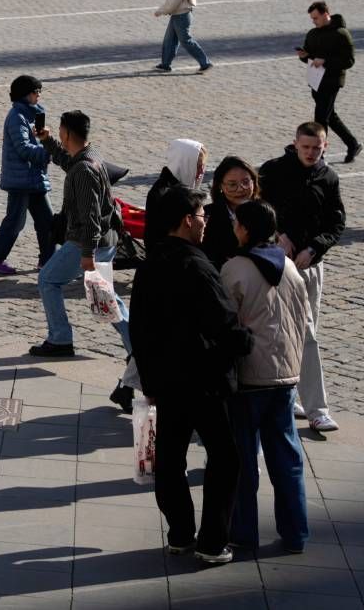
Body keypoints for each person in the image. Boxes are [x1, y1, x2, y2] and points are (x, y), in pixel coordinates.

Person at [130, 184, 252, 565]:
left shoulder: (149, 265)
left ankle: (181, 533)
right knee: (225, 457)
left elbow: (139, 331)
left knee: (170, 459)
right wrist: (245, 342)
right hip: (205, 380)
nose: (205, 222)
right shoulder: (197, 266)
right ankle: (212, 541)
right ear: (186, 220)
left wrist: (149, 381)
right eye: (201, 216)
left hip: (167, 382)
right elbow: (224, 324)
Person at [220, 199, 312, 555]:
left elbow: (227, 323)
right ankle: (296, 532)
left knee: (244, 461)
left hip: (249, 378)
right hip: (286, 376)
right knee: (287, 458)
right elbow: (302, 318)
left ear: (244, 229)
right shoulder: (289, 266)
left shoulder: (235, 269)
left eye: (236, 223)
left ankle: (243, 533)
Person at [30, 111, 132, 386]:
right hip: (104, 240)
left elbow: (89, 217)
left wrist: (87, 255)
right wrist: (48, 142)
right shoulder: (90, 156)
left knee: (48, 279)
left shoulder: (84, 170)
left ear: (66, 133)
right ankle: (137, 348)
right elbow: (68, 162)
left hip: (87, 243)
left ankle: (60, 339)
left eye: (59, 132)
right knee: (106, 296)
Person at [258, 123, 345, 432]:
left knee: (308, 333)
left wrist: (314, 248)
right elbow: (258, 208)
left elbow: (336, 223)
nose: (310, 153)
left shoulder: (328, 177)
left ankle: (291, 392)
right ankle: (317, 410)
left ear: (325, 146)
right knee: (306, 336)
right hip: (278, 267)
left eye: (316, 148)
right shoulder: (273, 171)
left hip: (310, 266)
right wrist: (278, 235)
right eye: (305, 147)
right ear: (295, 144)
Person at [0, 75, 54, 276]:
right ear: (25, 95)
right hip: (21, 180)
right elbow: (23, 148)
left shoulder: (33, 114)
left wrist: (44, 139)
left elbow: (35, 141)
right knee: (15, 221)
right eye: (36, 92)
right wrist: (48, 151)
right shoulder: (17, 117)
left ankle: (48, 260)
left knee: (47, 221)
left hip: (34, 177)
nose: (39, 95)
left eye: (39, 91)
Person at [297, 2, 360, 161]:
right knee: (329, 116)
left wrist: (325, 61)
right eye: (312, 19)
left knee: (321, 118)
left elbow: (349, 61)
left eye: (316, 18)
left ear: (326, 14)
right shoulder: (313, 34)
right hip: (316, 80)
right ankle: (352, 144)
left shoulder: (341, 34)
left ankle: (319, 156)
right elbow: (310, 57)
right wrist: (305, 56)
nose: (314, 22)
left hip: (332, 81)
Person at [152, 0, 213, 73]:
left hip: (181, 17)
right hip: (178, 16)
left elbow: (172, 5)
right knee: (169, 40)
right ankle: (165, 64)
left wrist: (160, 11)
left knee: (186, 41)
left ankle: (205, 63)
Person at [204, 157, 259, 270]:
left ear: (253, 181)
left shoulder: (266, 212)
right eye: (232, 185)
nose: (240, 189)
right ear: (220, 186)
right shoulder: (206, 216)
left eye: (245, 182)